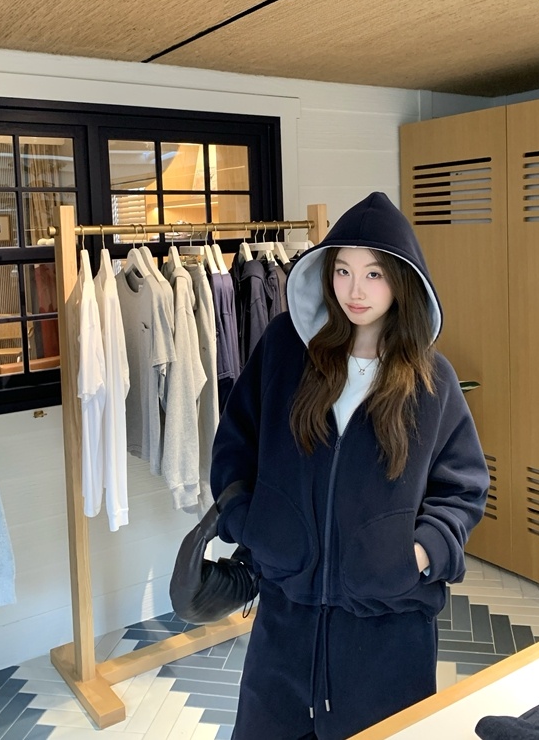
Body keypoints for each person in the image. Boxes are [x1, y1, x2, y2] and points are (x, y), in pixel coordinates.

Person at [210, 191, 489, 740]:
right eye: (342, 271)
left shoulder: (432, 380)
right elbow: (234, 446)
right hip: (285, 620)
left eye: (374, 275)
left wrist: (419, 554)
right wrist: (251, 524)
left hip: (388, 630)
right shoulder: (286, 351)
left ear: (403, 282)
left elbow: (463, 488)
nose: (354, 291)